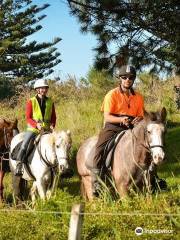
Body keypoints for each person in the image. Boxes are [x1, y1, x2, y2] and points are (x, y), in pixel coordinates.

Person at [91, 65, 144, 196]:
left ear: (134, 79)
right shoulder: (111, 94)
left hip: (132, 126)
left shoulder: (138, 97)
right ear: (120, 79)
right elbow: (107, 116)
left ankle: (154, 178)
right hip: (113, 126)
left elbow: (141, 115)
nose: (128, 80)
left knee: (148, 146)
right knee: (100, 148)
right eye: (124, 77)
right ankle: (96, 182)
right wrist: (121, 120)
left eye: (131, 78)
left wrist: (138, 120)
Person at [15, 79, 56, 176]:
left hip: (46, 129)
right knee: (24, 145)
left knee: (56, 145)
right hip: (33, 129)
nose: (44, 90)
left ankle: (57, 168)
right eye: (41, 88)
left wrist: (52, 125)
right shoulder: (31, 101)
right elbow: (28, 118)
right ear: (37, 89)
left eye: (45, 88)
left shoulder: (50, 101)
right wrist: (36, 125)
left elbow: (53, 116)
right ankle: (19, 165)